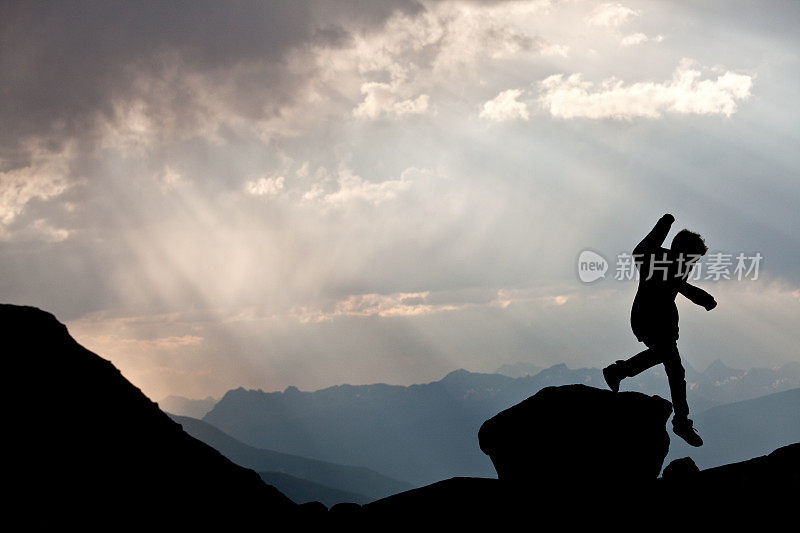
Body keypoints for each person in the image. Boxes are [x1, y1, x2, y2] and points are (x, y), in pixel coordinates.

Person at [603, 214, 716, 447]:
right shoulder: (660, 260)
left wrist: (666, 224)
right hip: (650, 321)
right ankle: (619, 371)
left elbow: (678, 284)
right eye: (692, 258)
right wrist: (664, 224)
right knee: (671, 364)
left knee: (675, 369)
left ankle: (681, 421)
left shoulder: (675, 263)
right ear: (683, 251)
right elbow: (646, 253)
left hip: (658, 323)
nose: (693, 264)